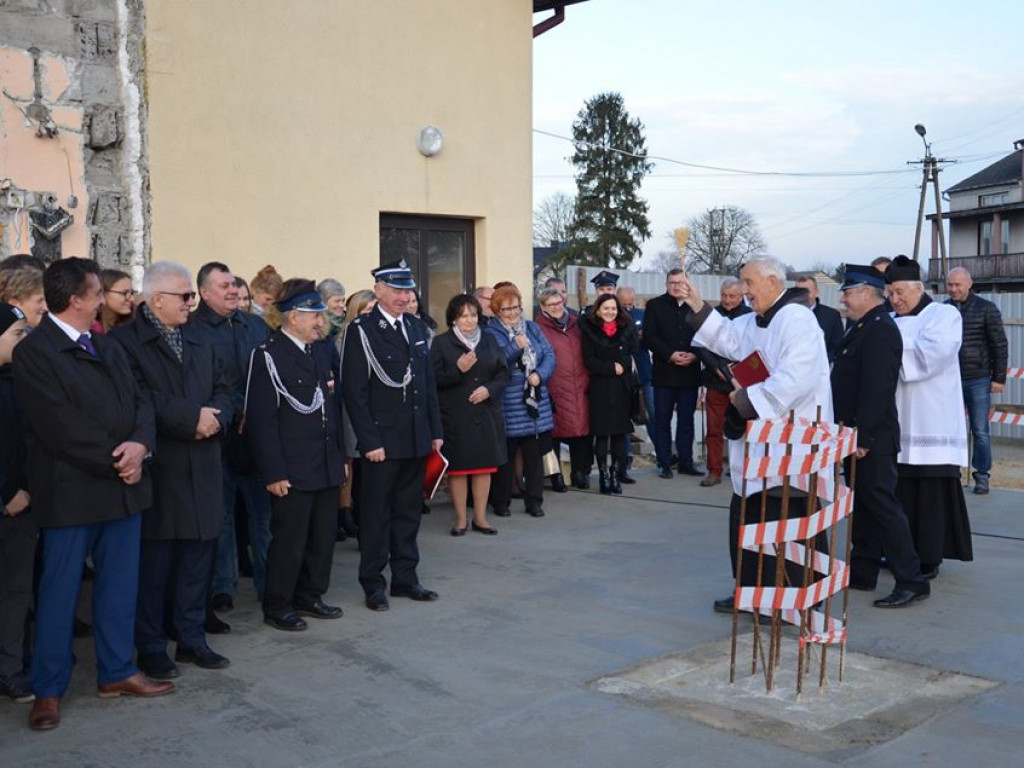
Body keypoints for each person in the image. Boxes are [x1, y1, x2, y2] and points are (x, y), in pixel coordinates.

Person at [13, 258, 172, 732]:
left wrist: (140, 444)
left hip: (123, 490)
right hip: (71, 494)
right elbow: (56, 425)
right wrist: (116, 458)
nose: (105, 299)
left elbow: (143, 400)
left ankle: (117, 672)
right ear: (76, 299)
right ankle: (48, 688)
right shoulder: (35, 352)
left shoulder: (107, 345)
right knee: (60, 594)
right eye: (97, 292)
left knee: (120, 588)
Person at [677, 257, 833, 614]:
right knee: (748, 513)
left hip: (791, 440)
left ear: (772, 281)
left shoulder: (797, 320)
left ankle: (794, 598)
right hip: (759, 442)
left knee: (787, 517)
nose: (744, 290)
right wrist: (698, 304)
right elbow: (729, 339)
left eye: (748, 282)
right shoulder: (757, 318)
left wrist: (744, 398)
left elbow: (797, 378)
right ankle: (751, 593)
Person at [112, 262, 236, 675]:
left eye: (192, 296)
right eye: (185, 296)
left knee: (198, 560)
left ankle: (191, 638)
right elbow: (138, 398)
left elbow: (225, 387)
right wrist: (191, 418)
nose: (191, 303)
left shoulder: (198, 336)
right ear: (157, 299)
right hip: (162, 469)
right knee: (155, 567)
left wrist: (216, 417)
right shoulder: (125, 342)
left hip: (203, 464)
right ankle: (150, 646)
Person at [342, 260, 443, 612]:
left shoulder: (415, 327)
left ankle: (406, 578)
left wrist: (435, 431)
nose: (404, 297)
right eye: (397, 290)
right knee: (375, 515)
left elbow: (427, 384)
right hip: (382, 442)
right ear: (379, 290)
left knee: (408, 512)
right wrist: (369, 442)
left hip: (415, 437)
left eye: (407, 291)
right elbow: (355, 392)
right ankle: (373, 583)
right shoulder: (363, 330)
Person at [247, 279, 346, 631]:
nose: (321, 321)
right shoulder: (269, 355)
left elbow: (329, 410)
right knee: (290, 540)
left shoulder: (318, 351)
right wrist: (273, 473)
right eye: (313, 315)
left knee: (322, 537)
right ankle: (279, 604)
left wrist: (340, 456)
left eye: (320, 314)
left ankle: (310, 594)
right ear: (291, 317)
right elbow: (262, 421)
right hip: (292, 465)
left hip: (324, 460)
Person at [831, 265, 930, 608]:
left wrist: (864, 437)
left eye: (847, 291)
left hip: (870, 436)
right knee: (864, 507)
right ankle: (863, 572)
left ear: (867, 292)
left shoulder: (880, 329)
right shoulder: (862, 327)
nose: (842, 297)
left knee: (884, 507)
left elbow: (878, 388)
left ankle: (911, 580)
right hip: (854, 433)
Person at [190, 262, 271, 626]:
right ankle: (223, 584)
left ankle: (271, 585)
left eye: (233, 285)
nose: (233, 290)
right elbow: (199, 382)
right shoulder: (193, 330)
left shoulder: (254, 325)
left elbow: (270, 373)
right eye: (223, 286)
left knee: (264, 515)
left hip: (257, 436)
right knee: (220, 516)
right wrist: (233, 409)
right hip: (217, 437)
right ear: (204, 293)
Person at [887, 255, 973, 580]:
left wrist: (887, 351)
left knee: (930, 495)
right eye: (891, 293)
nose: (896, 299)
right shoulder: (891, 320)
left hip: (933, 421)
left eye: (900, 292)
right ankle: (902, 551)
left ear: (919, 288)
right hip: (899, 421)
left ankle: (929, 556)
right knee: (900, 491)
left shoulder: (944, 314)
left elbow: (931, 355)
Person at [431, 294, 509, 535]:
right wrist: (457, 370)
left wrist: (489, 389)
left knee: (484, 468)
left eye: (473, 315)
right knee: (459, 469)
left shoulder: (489, 340)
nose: (469, 320)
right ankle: (461, 519)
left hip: (485, 414)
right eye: (464, 316)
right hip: (456, 416)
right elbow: (433, 380)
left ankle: (481, 518)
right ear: (454, 319)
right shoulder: (441, 343)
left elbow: (504, 374)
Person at [484, 283, 556, 519]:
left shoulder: (532, 328)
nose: (513, 313)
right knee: (505, 458)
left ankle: (534, 501)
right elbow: (495, 362)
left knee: (534, 457)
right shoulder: (491, 333)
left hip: (533, 402)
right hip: (508, 403)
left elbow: (549, 355)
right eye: (506, 310)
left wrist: (540, 375)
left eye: (516, 307)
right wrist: (516, 346)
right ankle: (501, 502)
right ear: (497, 311)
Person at [945, 266, 1008, 495]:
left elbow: (999, 345)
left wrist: (998, 378)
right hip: (949, 380)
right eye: (950, 284)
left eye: (957, 285)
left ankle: (982, 475)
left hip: (978, 379)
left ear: (969, 284)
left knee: (980, 430)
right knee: (949, 429)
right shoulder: (941, 310)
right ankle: (950, 473)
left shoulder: (987, 309)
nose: (953, 289)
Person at [0, 304, 34, 703]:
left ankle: (11, 667)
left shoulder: (19, 380)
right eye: (16, 335)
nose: (23, 342)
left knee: (16, 593)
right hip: (9, 502)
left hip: (23, 505)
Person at [642, 268, 703, 479]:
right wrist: (670, 354)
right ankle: (664, 463)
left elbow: (706, 336)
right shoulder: (655, 305)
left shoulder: (697, 306)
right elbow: (649, 336)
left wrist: (695, 355)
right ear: (666, 284)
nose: (676, 286)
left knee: (686, 420)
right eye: (672, 283)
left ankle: (686, 462)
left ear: (688, 284)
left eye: (680, 282)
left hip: (690, 372)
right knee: (662, 420)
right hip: (664, 372)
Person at [694, 277, 751, 487]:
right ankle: (714, 470)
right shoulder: (712, 315)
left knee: (744, 431)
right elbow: (701, 345)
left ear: (741, 296)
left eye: (732, 296)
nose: (727, 300)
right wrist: (716, 367)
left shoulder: (750, 316)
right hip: (715, 381)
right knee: (714, 429)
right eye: (724, 296)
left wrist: (734, 372)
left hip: (742, 384)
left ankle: (745, 470)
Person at [535, 286, 592, 490]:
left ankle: (579, 472)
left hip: (580, 384)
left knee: (581, 431)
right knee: (553, 435)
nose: (557, 307)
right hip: (553, 386)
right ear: (543, 307)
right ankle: (555, 475)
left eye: (559, 302)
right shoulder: (538, 328)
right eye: (551, 305)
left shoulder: (577, 323)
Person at [579, 295, 637, 495]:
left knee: (620, 433)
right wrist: (611, 368)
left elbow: (632, 355)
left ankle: (614, 473)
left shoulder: (627, 329)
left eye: (613, 308)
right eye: (606, 308)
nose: (610, 312)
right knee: (602, 434)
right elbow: (589, 360)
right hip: (600, 387)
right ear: (597, 310)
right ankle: (603, 474)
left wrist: (623, 366)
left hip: (622, 388)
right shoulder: (589, 331)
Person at [334, 289, 376, 540]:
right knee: (350, 461)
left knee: (365, 467)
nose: (371, 316)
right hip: (350, 408)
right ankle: (344, 512)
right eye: (367, 312)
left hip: (372, 408)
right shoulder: (345, 338)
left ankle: (360, 515)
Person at [795, 275, 843, 364]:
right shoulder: (787, 314)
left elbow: (837, 346)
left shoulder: (831, 316)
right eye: (798, 292)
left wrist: (821, 363)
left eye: (807, 291)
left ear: (816, 292)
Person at [92, 268, 135, 334]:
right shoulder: (90, 329)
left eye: (131, 292)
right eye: (124, 293)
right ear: (103, 293)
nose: (132, 299)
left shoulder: (137, 323)